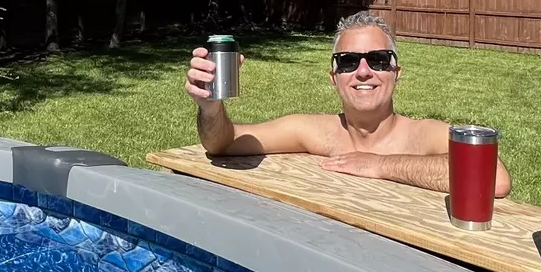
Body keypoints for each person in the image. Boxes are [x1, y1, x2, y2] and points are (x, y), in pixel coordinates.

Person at [183, 11, 512, 197]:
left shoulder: (423, 135)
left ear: (397, 72)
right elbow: (222, 143)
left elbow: (492, 178)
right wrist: (211, 109)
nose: (364, 71)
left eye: (380, 60)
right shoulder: (311, 131)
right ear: (334, 76)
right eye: (349, 61)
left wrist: (380, 164)